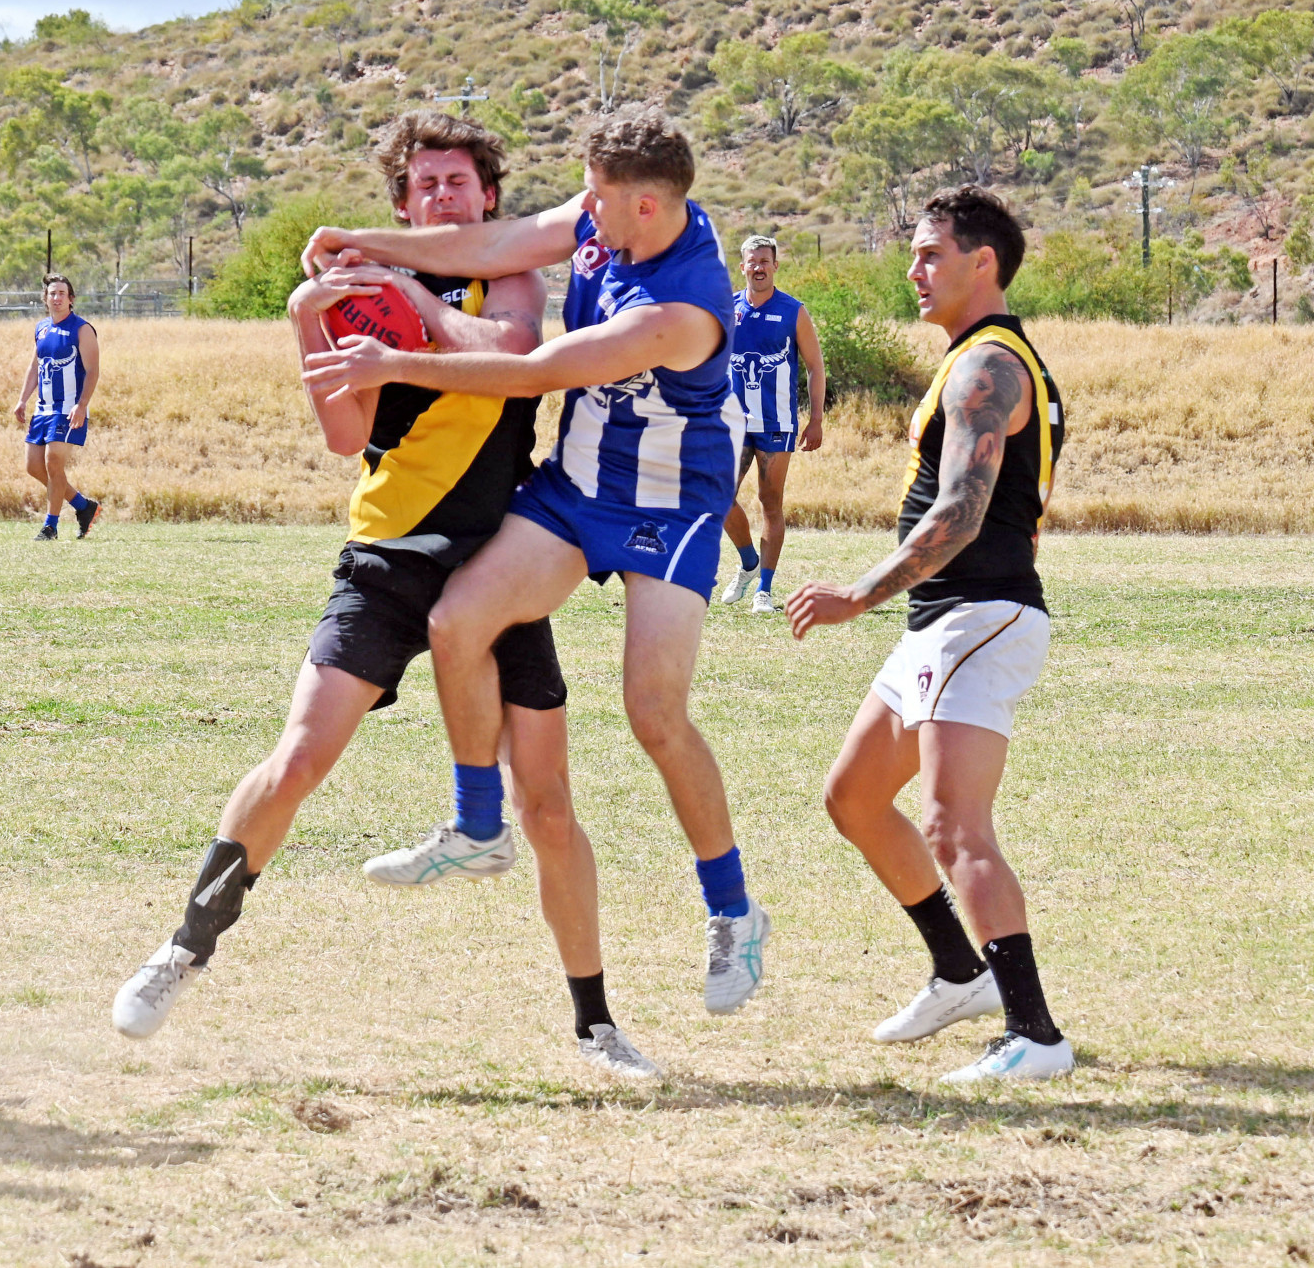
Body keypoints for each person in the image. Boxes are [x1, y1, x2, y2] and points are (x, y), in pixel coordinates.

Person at [113, 111, 661, 1079]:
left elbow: (509, 353)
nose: (440, 196)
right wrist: (303, 321)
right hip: (385, 557)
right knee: (293, 761)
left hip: (494, 565)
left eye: (457, 183)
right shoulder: (350, 296)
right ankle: (182, 946)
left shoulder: (507, 276)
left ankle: (594, 1025)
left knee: (546, 807)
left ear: (486, 197)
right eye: (423, 185)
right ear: (400, 203)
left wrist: (411, 296)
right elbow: (340, 432)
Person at [300, 108, 772, 1017]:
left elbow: (533, 371)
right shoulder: (618, 212)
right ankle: (479, 826)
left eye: (596, 198)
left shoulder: (679, 310)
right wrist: (362, 239)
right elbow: (508, 238)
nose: (581, 212)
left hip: (670, 501)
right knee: (455, 621)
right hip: (578, 482)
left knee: (655, 712)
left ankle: (733, 909)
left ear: (646, 204)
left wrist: (394, 355)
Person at [785, 185, 1072, 1084]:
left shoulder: (990, 365)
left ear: (982, 263)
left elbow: (957, 512)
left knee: (955, 826)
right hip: (941, 622)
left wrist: (856, 595)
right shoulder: (972, 361)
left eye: (929, 254)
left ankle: (1036, 1033)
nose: (914, 270)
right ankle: (960, 971)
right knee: (854, 798)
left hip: (979, 617)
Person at [718, 234, 823, 613]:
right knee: (718, 496)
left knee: (770, 504)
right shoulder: (725, 308)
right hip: (730, 421)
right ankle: (748, 563)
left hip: (777, 423)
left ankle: (764, 589)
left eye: (765, 260)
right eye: (752, 261)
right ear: (742, 266)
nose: (759, 267)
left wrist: (816, 419)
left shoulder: (793, 310)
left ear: (775, 266)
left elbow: (814, 366)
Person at [12, 275, 100, 540]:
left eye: (62, 293)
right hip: (43, 409)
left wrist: (82, 405)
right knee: (33, 467)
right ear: (46, 298)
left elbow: (94, 370)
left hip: (68, 409)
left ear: (70, 299)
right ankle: (84, 506)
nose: (57, 298)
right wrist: (22, 399)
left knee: (53, 463)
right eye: (52, 293)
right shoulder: (41, 328)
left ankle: (50, 526)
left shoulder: (82, 329)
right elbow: (34, 367)